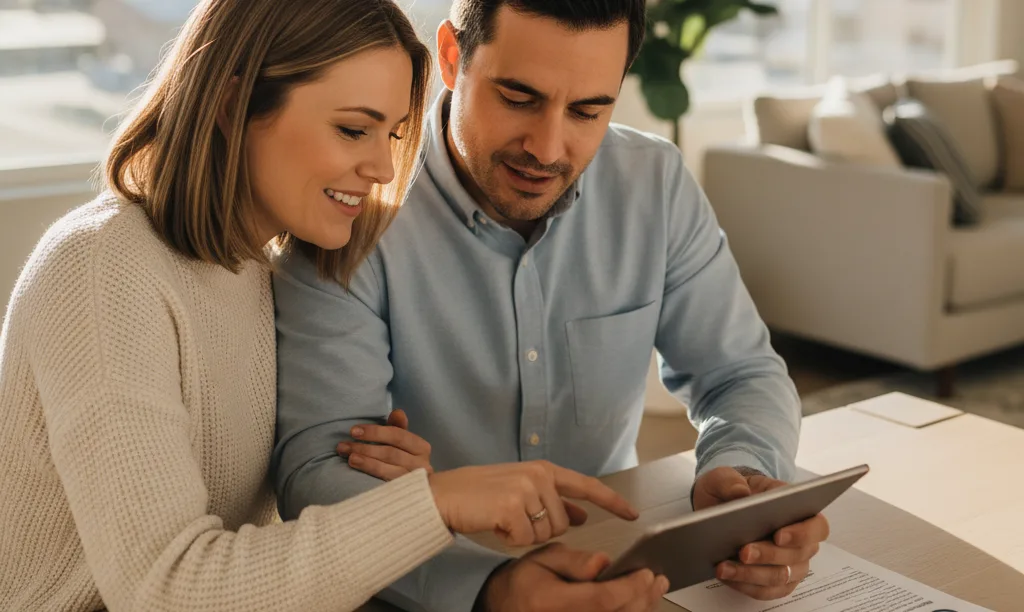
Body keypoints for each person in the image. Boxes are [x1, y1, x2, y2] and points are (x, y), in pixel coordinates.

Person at [0, 1, 669, 611]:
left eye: (395, 135)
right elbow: (168, 588)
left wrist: (403, 485)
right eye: (354, 131)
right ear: (234, 106)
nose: (382, 168)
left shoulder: (259, 272)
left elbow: (267, 540)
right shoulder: (101, 271)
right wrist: (438, 503)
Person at [273, 0, 832, 610]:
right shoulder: (351, 205)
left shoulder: (655, 184)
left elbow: (741, 372)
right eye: (518, 98)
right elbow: (317, 470)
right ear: (453, 58)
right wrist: (486, 586)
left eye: (589, 110)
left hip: (618, 566)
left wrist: (741, 474)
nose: (547, 148)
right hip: (416, 587)